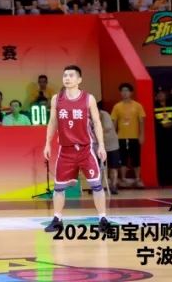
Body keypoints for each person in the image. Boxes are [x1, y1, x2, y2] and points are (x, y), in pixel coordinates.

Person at [42, 65, 111, 233]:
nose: (67, 78)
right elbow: (52, 122)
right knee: (59, 188)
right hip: (66, 151)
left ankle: (103, 219)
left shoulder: (88, 99)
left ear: (79, 79)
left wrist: (101, 145)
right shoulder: (57, 99)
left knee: (96, 185)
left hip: (86, 149)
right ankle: (57, 219)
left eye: (71, 75)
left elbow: (97, 123)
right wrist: (47, 143)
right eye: (65, 75)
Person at [111, 83, 145, 188]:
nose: (124, 93)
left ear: (131, 92)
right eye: (122, 91)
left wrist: (142, 135)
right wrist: (113, 136)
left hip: (134, 137)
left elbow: (141, 121)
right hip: (121, 137)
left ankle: (138, 179)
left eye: (127, 90)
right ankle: (123, 179)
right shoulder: (117, 106)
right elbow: (114, 123)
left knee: (136, 158)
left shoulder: (137, 106)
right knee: (123, 158)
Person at [96, 101, 120, 194]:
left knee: (113, 167)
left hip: (112, 145)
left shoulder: (105, 115)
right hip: (100, 146)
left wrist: (95, 130)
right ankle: (98, 186)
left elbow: (107, 128)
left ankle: (113, 186)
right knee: (99, 167)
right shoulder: (90, 116)